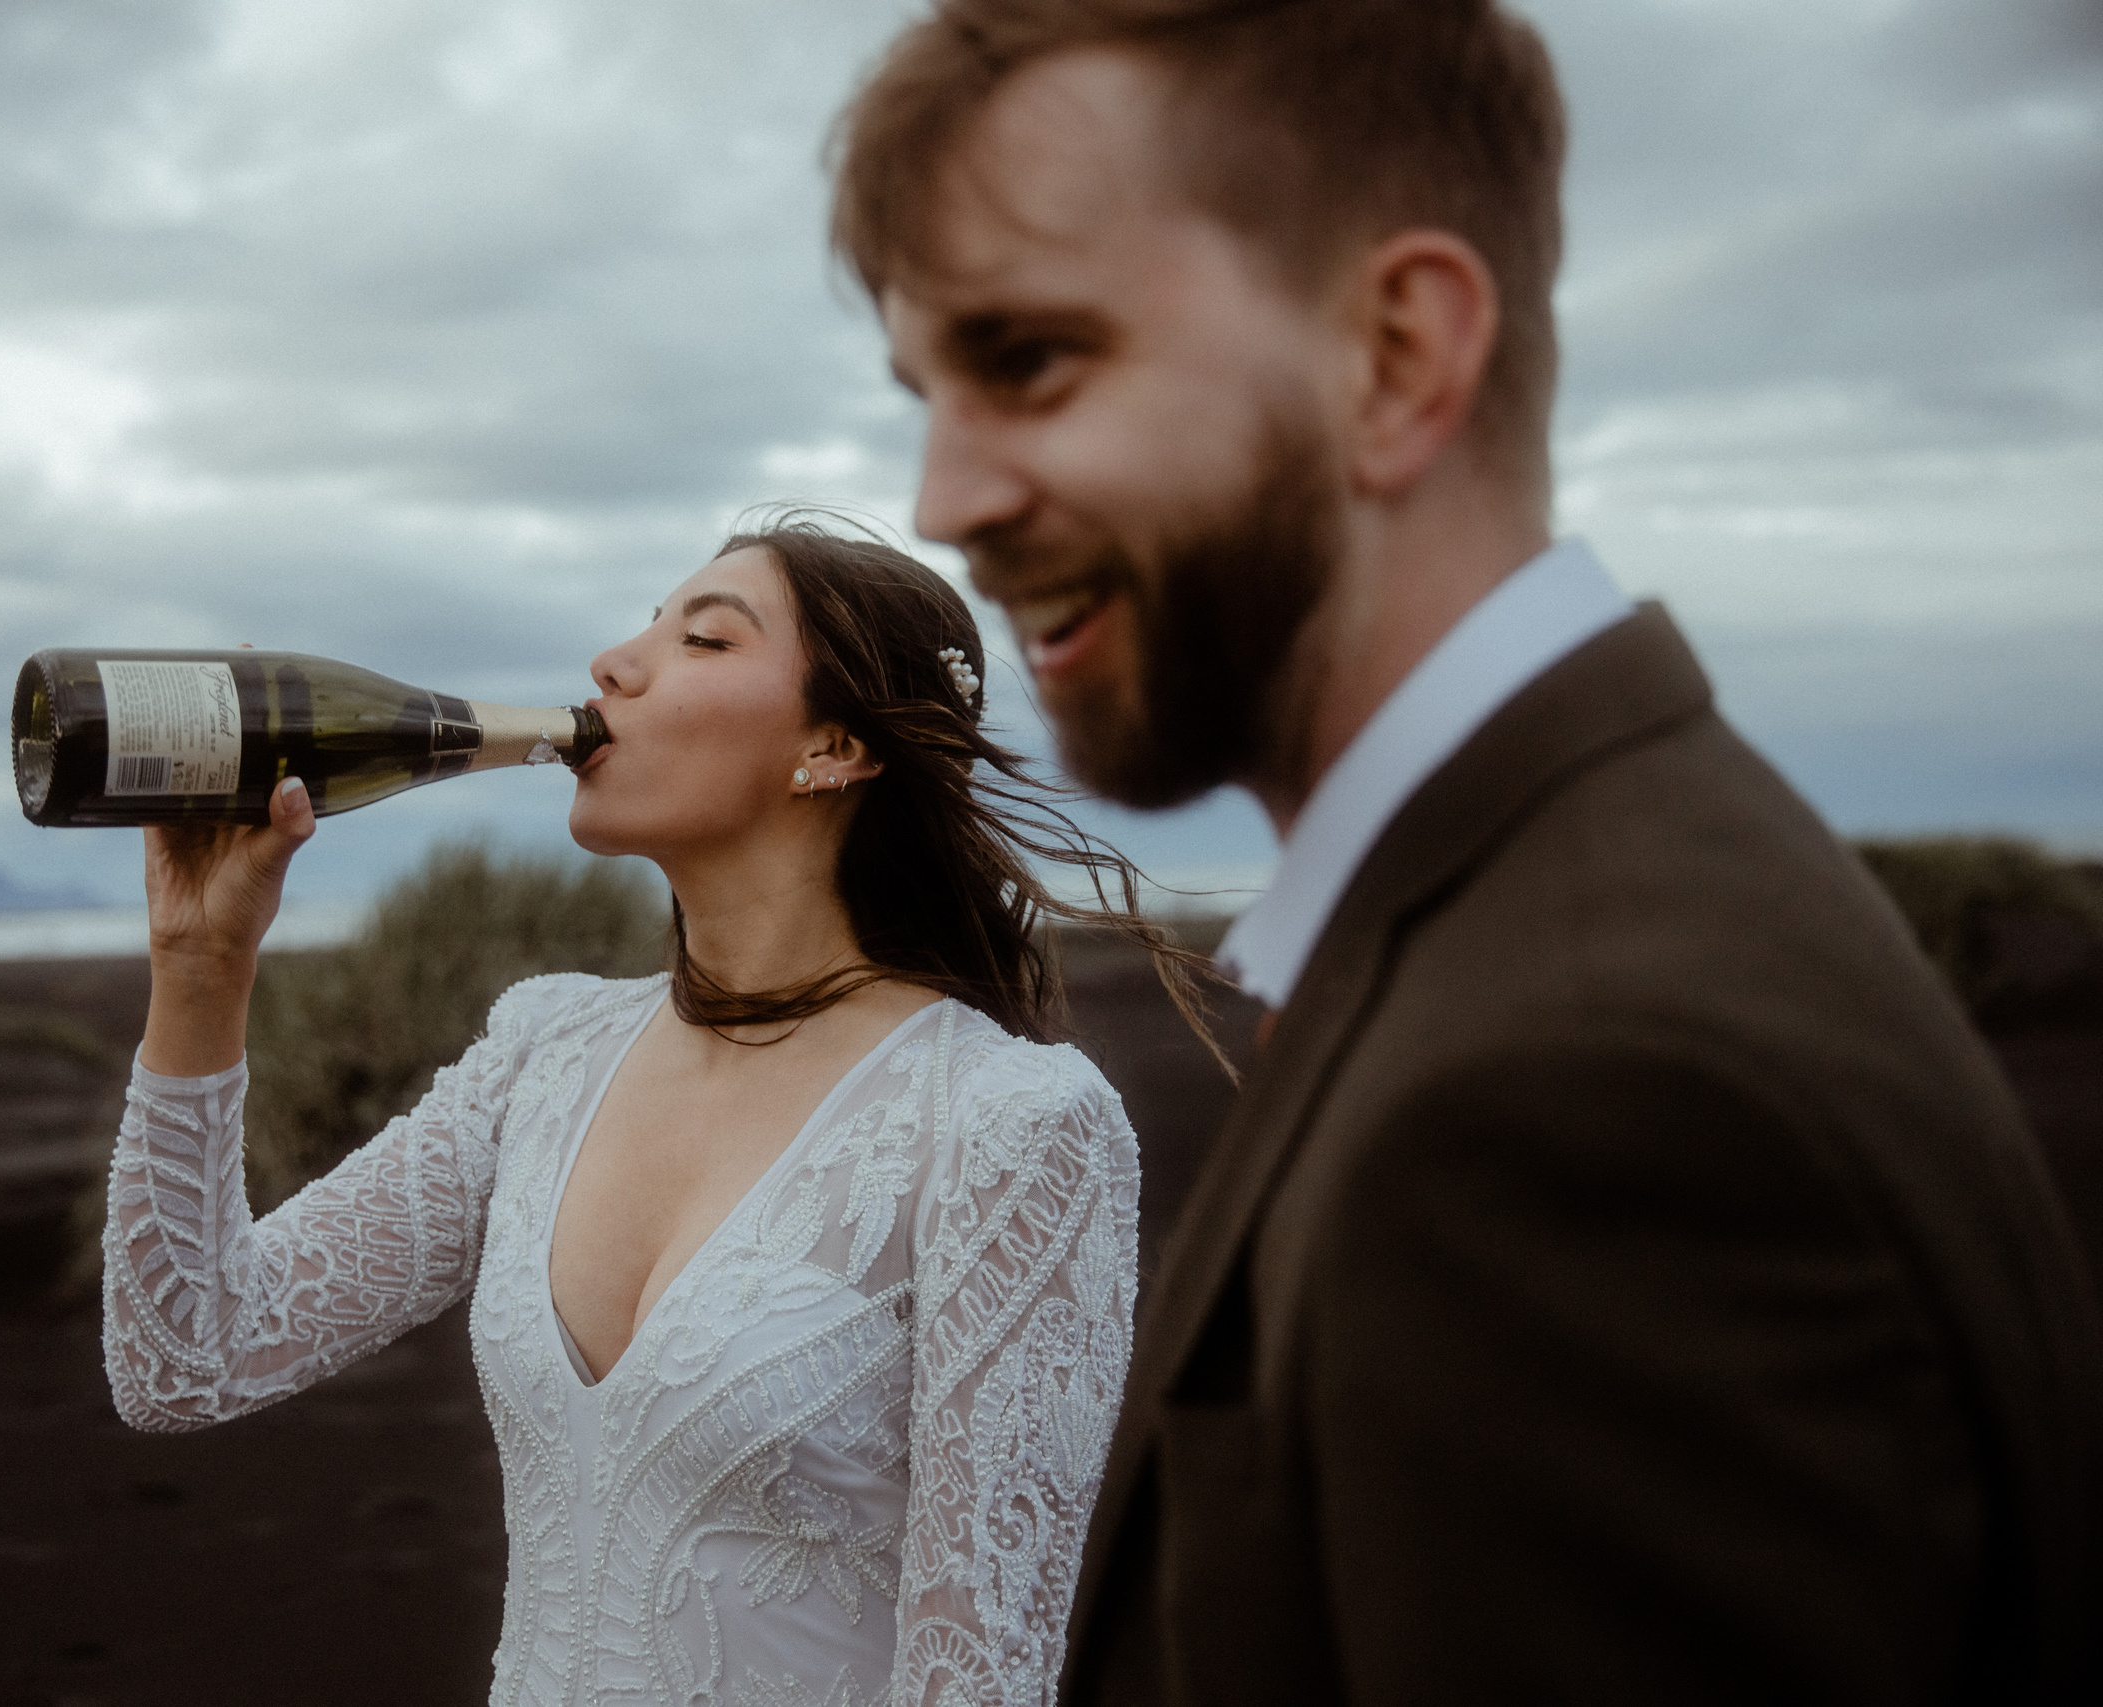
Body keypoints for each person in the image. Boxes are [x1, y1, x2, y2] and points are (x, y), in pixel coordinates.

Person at [831, 1, 2103, 1702]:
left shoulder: (1592, 1089)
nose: (943, 497)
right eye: (928, 391)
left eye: (1031, 360)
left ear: (1399, 356)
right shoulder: (1575, 902)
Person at [101, 518, 1205, 1705]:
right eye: (641, 627)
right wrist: (199, 967)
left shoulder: (1011, 1124)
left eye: (704, 638)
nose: (613, 666)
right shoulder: (546, 1050)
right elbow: (185, 1357)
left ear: (832, 746)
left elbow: (980, 1680)